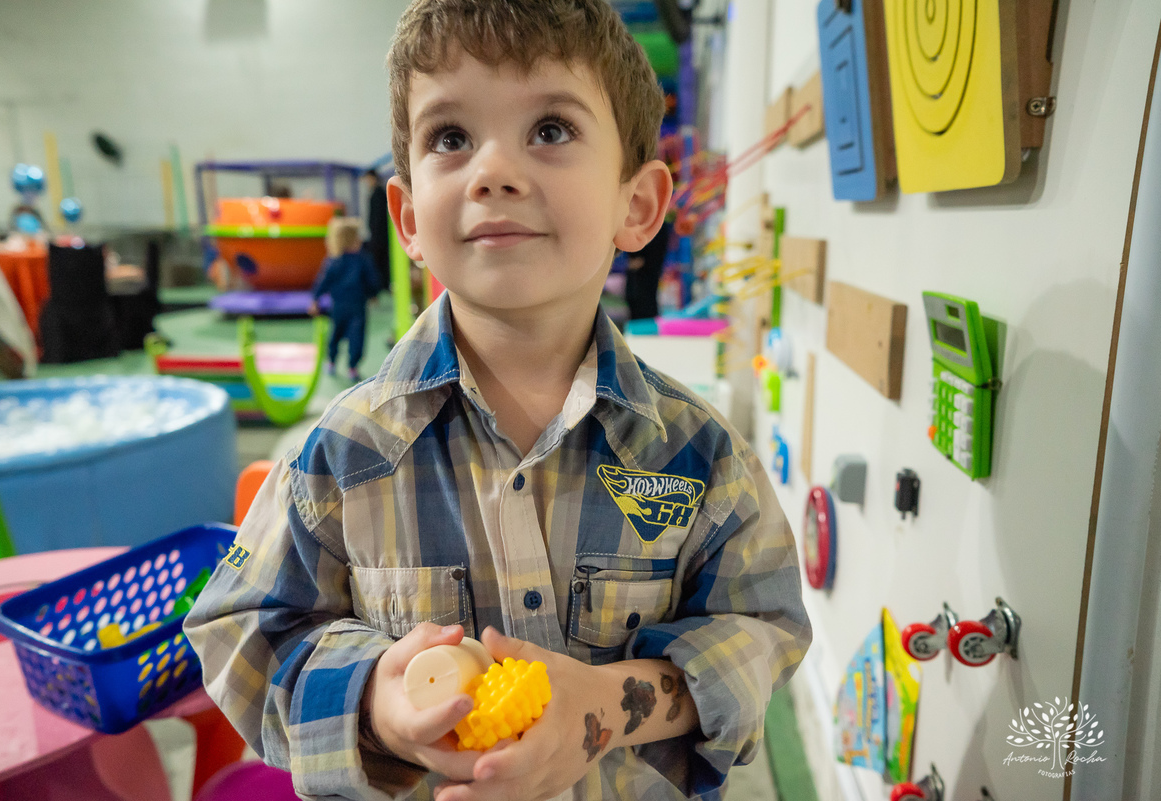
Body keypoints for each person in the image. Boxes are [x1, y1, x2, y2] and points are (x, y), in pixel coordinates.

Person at [185, 2, 811, 800]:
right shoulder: (341, 453)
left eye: (550, 129)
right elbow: (241, 633)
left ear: (638, 204)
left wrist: (614, 705)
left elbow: (764, 630)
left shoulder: (699, 454)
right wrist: (373, 696)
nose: (493, 170)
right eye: (450, 138)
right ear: (409, 218)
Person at [309, 217, 379, 381]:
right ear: (350, 240)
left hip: (345, 306)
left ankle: (340, 363)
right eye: (357, 237)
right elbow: (372, 280)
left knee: (341, 335)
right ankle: (347, 365)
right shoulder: (358, 260)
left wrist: (315, 299)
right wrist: (373, 294)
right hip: (352, 307)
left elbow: (323, 281)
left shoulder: (338, 261)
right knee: (350, 336)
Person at [624, 216, 672, 320]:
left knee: (642, 300)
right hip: (644, 267)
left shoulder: (653, 224)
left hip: (644, 268)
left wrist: (636, 259)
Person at [364, 168, 392, 292]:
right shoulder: (375, 192)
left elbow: (379, 217)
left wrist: (376, 234)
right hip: (377, 235)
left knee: (381, 261)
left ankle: (383, 285)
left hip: (379, 236)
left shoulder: (378, 193)